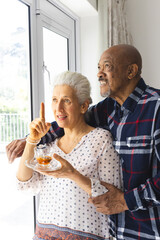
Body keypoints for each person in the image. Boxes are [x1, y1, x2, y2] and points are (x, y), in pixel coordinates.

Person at [7, 44, 160, 239]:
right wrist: (30, 139)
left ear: (131, 71)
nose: (99, 74)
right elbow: (67, 121)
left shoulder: (156, 107)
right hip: (121, 230)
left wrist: (125, 201)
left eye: (107, 66)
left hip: (150, 229)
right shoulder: (108, 108)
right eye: (98, 68)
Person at [16, 71, 122, 240]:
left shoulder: (101, 139)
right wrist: (32, 140)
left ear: (83, 106)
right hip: (43, 235)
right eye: (55, 100)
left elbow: (111, 197)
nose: (58, 109)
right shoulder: (49, 146)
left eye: (66, 100)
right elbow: (24, 184)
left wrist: (72, 174)